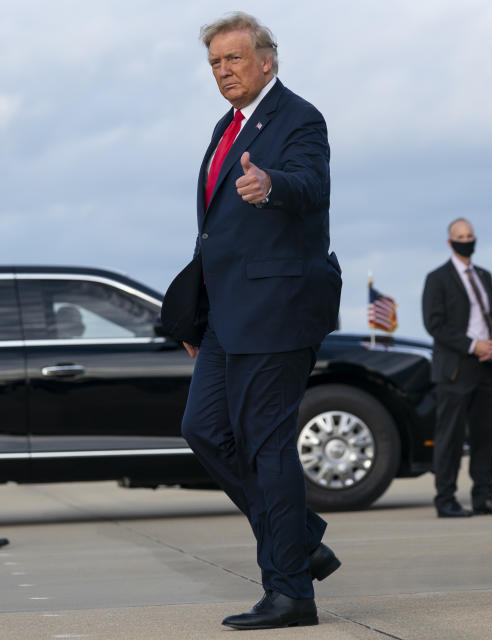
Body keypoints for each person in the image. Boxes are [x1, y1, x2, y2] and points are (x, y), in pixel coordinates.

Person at [177, 12, 342, 630]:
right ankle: (300, 538)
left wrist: (271, 184)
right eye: (215, 63)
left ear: (267, 60)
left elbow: (311, 182)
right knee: (204, 429)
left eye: (234, 59)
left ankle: (290, 591)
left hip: (278, 307)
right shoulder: (228, 125)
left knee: (268, 446)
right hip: (226, 314)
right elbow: (216, 232)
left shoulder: (299, 118)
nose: (223, 72)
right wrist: (197, 314)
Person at [422, 218, 492, 518]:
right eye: (461, 236)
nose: (467, 240)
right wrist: (471, 345)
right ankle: (446, 499)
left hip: (486, 367)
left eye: (470, 235)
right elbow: (434, 324)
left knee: (485, 437)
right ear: (451, 242)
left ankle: (484, 496)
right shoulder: (437, 278)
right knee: (450, 437)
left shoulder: (485, 276)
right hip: (455, 368)